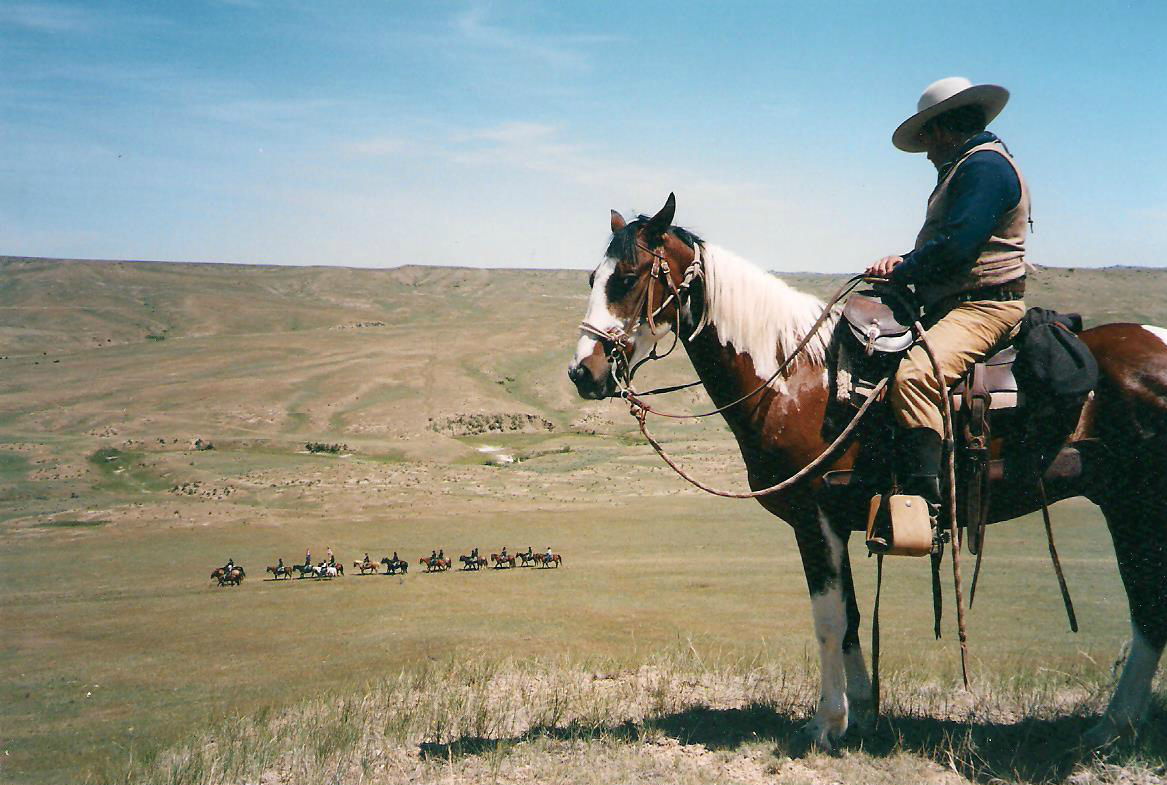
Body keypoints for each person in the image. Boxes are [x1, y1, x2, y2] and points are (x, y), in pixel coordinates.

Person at [866, 76, 1029, 518]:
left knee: (915, 376)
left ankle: (927, 506)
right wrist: (903, 263)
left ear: (940, 130)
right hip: (959, 302)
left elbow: (959, 245)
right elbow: (952, 244)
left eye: (926, 141)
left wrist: (907, 267)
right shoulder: (969, 166)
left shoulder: (984, 167)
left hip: (984, 307)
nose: (927, 153)